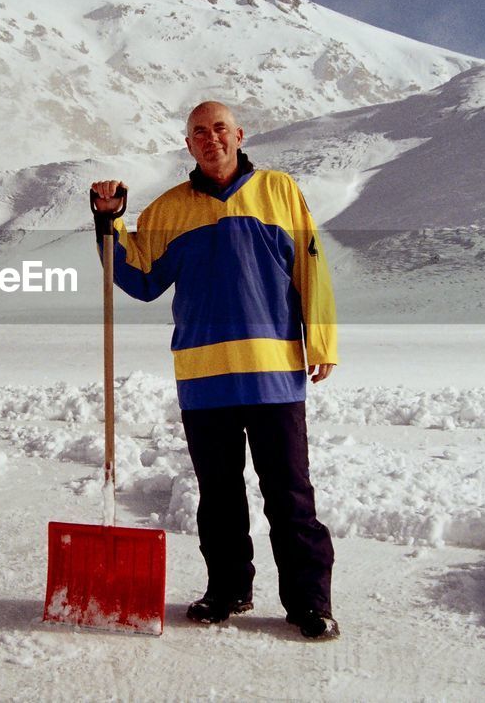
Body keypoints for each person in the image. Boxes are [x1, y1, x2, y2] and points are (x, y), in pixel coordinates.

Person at [90, 100, 340, 640]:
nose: (211, 139)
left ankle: (308, 602)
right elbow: (139, 277)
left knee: (290, 495)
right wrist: (109, 222)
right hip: (205, 379)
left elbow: (311, 268)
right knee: (218, 495)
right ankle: (228, 589)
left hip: (274, 372)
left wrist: (319, 340)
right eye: (199, 132)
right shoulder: (169, 210)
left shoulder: (279, 192)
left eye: (220, 129)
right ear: (189, 145)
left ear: (239, 134)